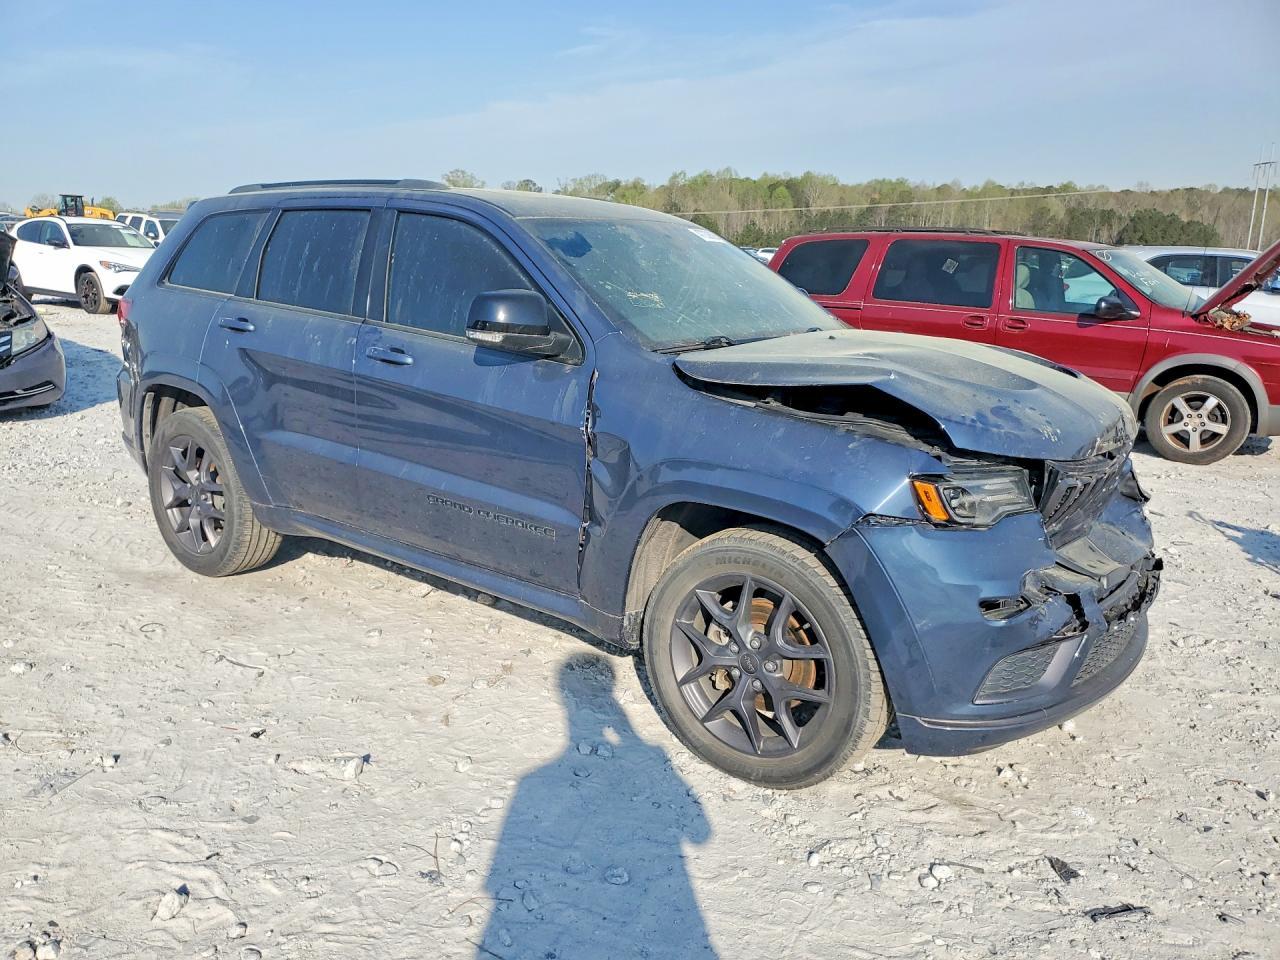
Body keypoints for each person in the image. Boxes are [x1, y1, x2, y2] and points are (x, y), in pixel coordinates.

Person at [478, 654, 717, 959]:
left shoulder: (530, 782)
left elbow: (496, 876)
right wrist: (634, 739)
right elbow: (701, 833)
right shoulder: (653, 763)